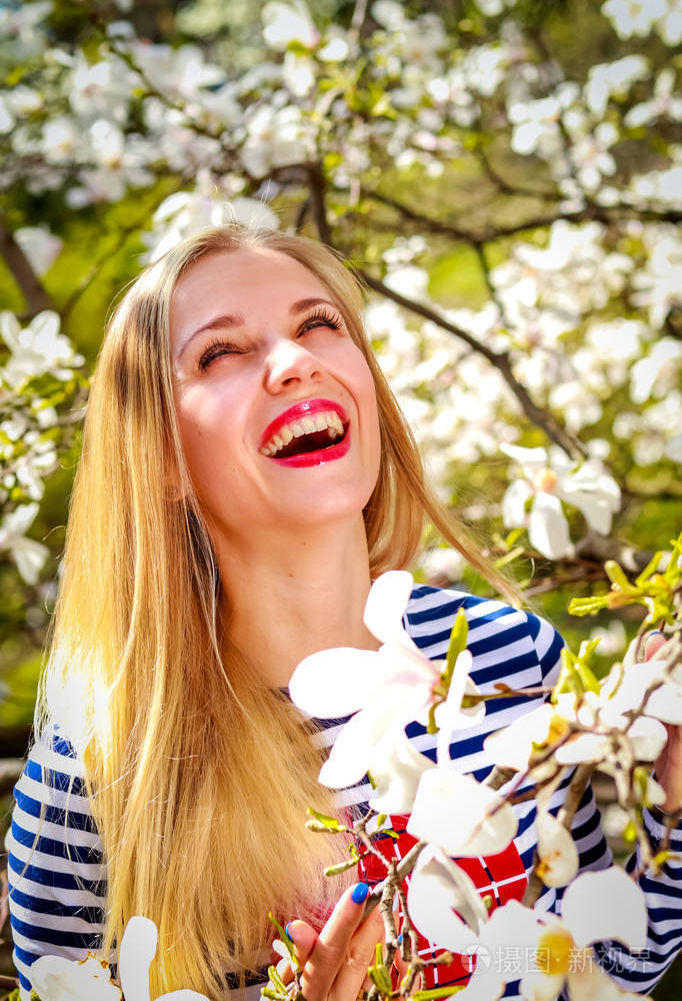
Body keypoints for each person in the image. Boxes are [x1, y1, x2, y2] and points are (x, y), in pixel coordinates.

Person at [6, 226, 681, 1001]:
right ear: (161, 458)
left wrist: (676, 828)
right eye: (220, 353)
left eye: (318, 324)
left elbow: (574, 968)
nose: (296, 361)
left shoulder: (510, 660)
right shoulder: (104, 761)